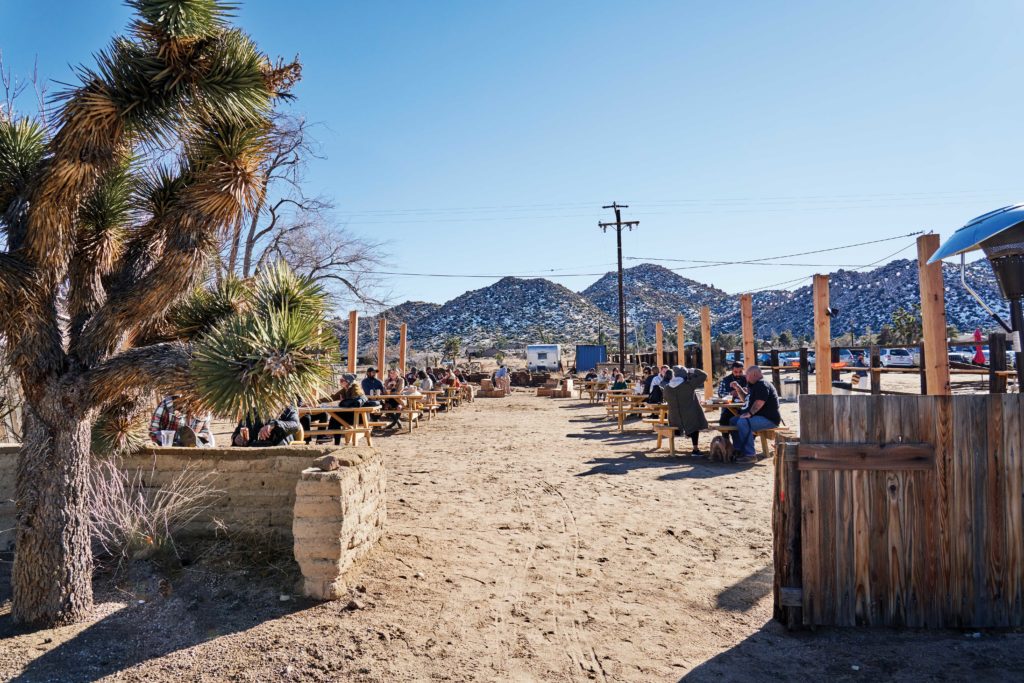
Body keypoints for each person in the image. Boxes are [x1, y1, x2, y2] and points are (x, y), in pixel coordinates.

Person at [732, 366, 782, 460]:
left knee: (742, 422)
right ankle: (738, 449)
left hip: (769, 419)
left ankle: (750, 455)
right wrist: (738, 389)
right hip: (759, 417)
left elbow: (760, 401)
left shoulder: (762, 384)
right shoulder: (755, 384)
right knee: (733, 420)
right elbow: (747, 400)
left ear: (754, 374)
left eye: (747, 375)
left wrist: (750, 413)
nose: (745, 377)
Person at [662, 366, 708, 455]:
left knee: (689, 417)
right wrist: (693, 370)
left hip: (674, 419)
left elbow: (666, 399)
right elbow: (704, 375)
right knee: (694, 419)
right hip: (689, 419)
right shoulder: (688, 385)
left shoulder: (667, 388)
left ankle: (684, 436)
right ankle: (695, 449)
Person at [149, 395, 214, 447]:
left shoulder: (205, 409)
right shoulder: (168, 404)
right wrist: (164, 443)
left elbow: (206, 432)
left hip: (194, 452)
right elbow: (154, 431)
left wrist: (195, 437)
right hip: (168, 451)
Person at [232, 404, 300, 447]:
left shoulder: (288, 408)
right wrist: (236, 438)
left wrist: (273, 425)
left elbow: (295, 425)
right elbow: (237, 432)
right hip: (255, 451)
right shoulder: (253, 412)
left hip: (279, 449)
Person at [716, 361, 748, 429]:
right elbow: (720, 393)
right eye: (735, 372)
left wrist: (745, 392)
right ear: (732, 370)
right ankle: (725, 438)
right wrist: (730, 394)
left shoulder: (748, 379)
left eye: (740, 372)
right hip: (729, 407)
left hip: (745, 406)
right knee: (724, 419)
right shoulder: (725, 380)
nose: (738, 374)